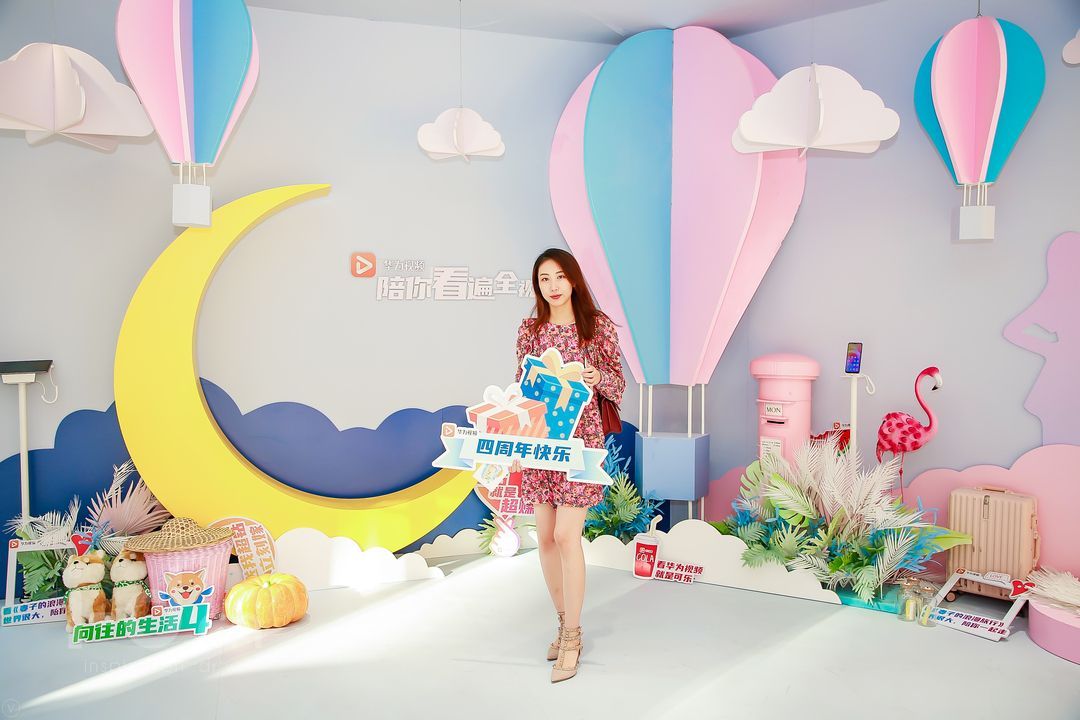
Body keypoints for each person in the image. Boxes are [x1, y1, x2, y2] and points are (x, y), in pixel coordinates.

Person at [512, 248, 625, 683]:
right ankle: (562, 624)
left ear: (573, 280)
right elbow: (521, 386)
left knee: (565, 535)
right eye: (545, 279)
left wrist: (598, 377)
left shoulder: (596, 327)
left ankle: (574, 637)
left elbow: (618, 384)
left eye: (560, 276)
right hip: (540, 442)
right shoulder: (530, 330)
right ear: (537, 286)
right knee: (544, 537)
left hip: (581, 443)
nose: (553, 286)